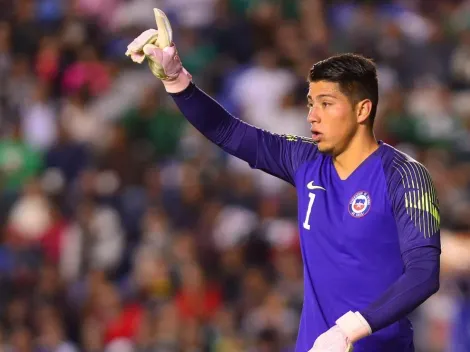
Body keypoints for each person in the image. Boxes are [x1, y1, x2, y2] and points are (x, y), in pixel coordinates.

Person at [125, 9, 441, 352]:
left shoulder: (404, 175)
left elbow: (424, 271)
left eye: (326, 103)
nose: (312, 116)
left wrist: (350, 329)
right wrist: (176, 80)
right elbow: (229, 131)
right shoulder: (305, 161)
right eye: (310, 103)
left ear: (362, 110)